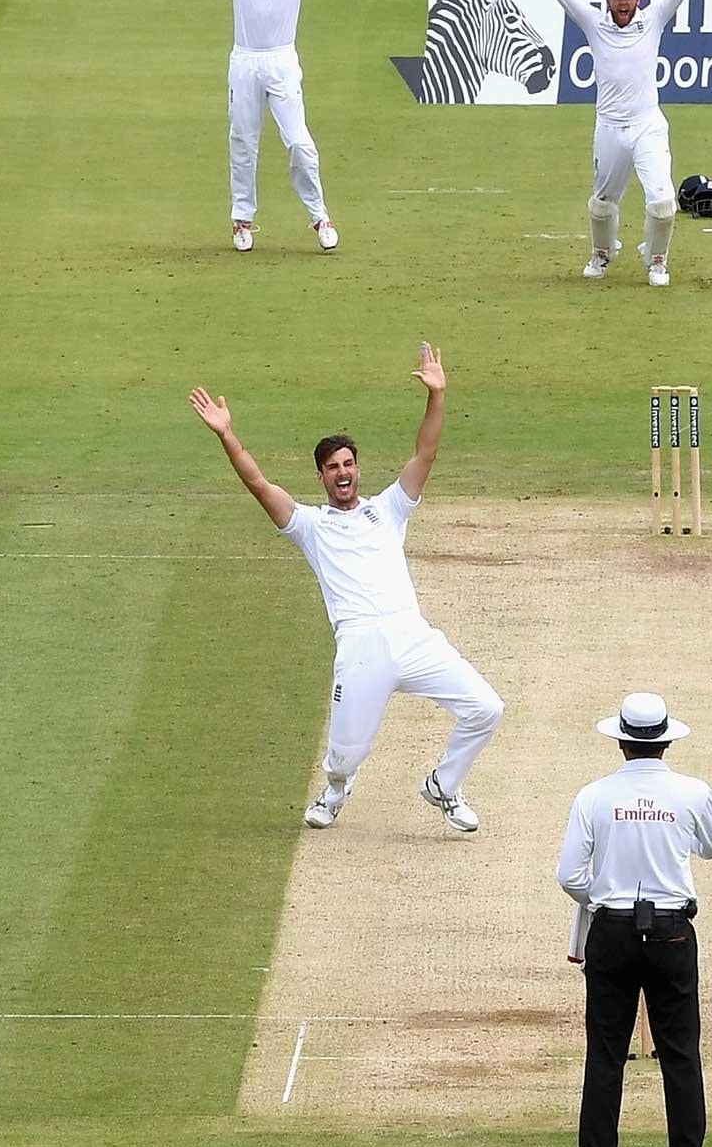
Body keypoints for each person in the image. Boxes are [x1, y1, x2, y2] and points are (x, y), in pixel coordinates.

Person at [188, 343, 503, 831]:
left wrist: (437, 396)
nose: (343, 473)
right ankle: (335, 791)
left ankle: (444, 784)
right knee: (345, 754)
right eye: (333, 466)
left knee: (486, 708)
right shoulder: (310, 526)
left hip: (412, 636)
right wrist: (228, 434)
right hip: (360, 646)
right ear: (320, 476)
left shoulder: (389, 509)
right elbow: (259, 485)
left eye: (349, 464)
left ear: (358, 469)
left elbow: (426, 452)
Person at [506, 0, 712, 286]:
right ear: (609, 1)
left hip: (648, 125)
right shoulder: (594, 23)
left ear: (638, 0)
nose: (624, 3)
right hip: (610, 127)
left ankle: (657, 261)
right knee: (601, 204)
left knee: (663, 205)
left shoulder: (654, 20)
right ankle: (601, 253)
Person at [556, 692, 712, 1147]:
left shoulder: (593, 796)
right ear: (667, 740)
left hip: (610, 931)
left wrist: (604, 900)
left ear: (622, 743)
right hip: (673, 931)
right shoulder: (691, 792)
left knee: (605, 1055)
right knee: (680, 1054)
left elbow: (569, 876)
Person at [203, 0, 340, 254]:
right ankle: (241, 220)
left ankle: (320, 217)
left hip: (281, 60)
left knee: (298, 141)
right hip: (245, 59)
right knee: (242, 140)